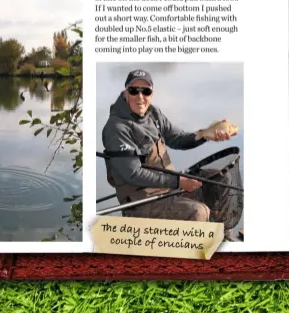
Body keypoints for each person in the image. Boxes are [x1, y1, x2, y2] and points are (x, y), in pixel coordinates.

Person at [101, 70, 238, 235]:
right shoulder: (116, 128)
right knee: (198, 212)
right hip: (140, 202)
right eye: (134, 90)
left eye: (146, 91)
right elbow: (133, 174)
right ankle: (190, 254)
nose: (140, 96)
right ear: (125, 93)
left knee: (218, 177)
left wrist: (206, 135)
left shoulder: (154, 114)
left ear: (151, 94)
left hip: (168, 187)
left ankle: (221, 235)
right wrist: (178, 182)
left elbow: (178, 139)